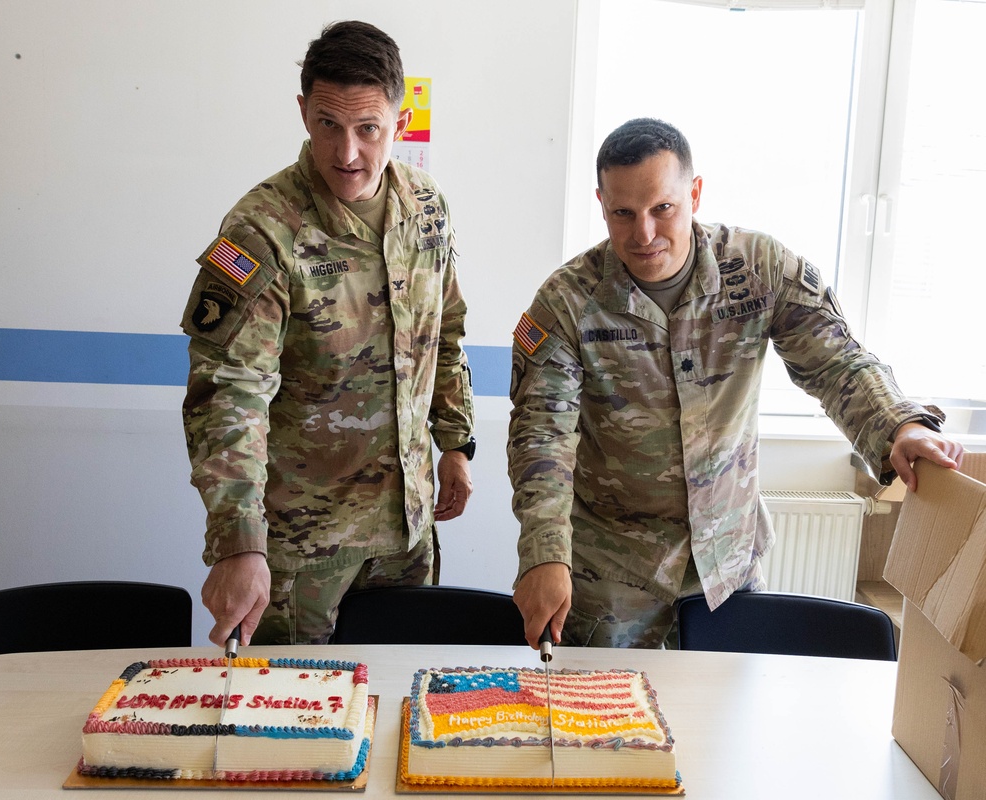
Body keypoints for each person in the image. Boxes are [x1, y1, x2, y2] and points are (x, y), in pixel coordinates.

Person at [508, 117, 963, 650]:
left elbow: (836, 362)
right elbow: (542, 438)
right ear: (601, 203)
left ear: (694, 193)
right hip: (609, 578)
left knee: (726, 722)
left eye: (663, 209)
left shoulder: (758, 270)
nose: (644, 234)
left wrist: (899, 426)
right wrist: (544, 552)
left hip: (726, 568)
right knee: (611, 727)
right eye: (622, 213)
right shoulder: (567, 301)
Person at [181, 20, 475, 648]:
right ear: (303, 112)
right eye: (327, 125)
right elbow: (230, 394)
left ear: (400, 117)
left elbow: (444, 335)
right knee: (293, 727)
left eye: (368, 128)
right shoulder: (261, 230)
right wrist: (238, 542)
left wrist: (455, 444)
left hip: (406, 533)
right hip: (300, 551)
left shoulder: (427, 209)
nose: (347, 153)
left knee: (402, 713)